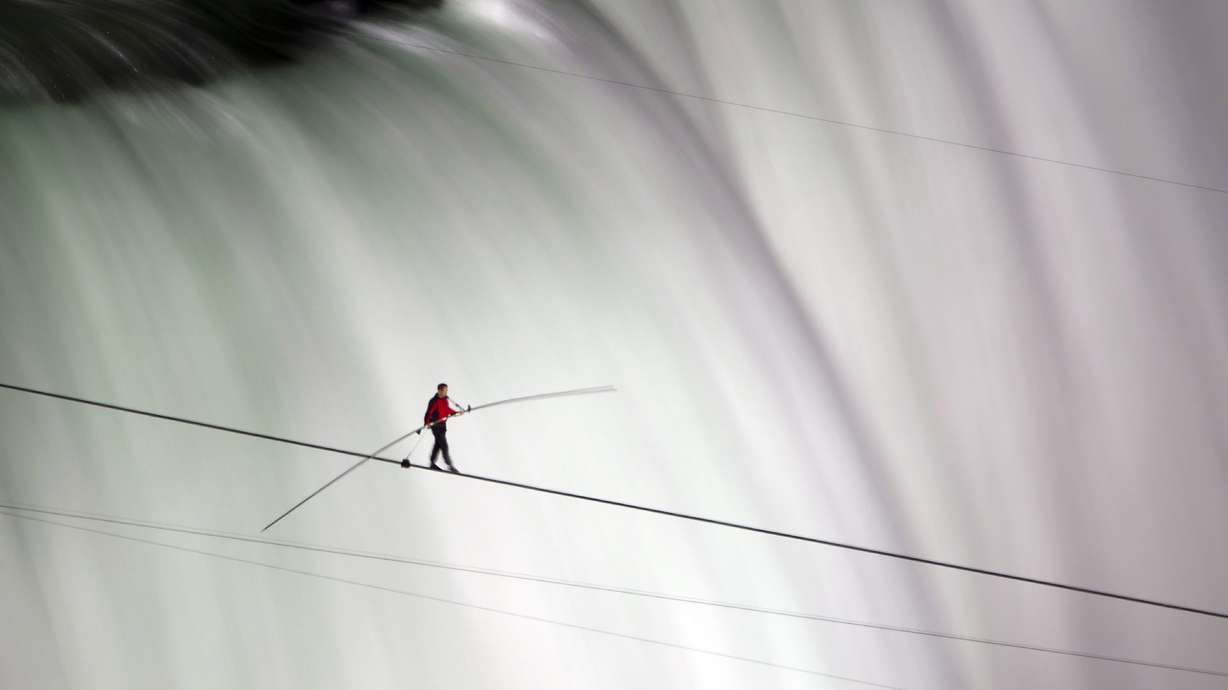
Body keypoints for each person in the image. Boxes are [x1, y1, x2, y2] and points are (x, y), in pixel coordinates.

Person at [422, 382, 465, 472]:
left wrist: (456, 413)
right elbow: (428, 413)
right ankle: (449, 465)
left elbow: (447, 410)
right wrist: (427, 423)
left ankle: (432, 463)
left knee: (438, 444)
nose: (446, 392)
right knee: (444, 445)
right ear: (440, 390)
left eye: (446, 390)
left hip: (442, 426)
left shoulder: (445, 400)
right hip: (436, 426)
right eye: (445, 390)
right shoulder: (434, 401)